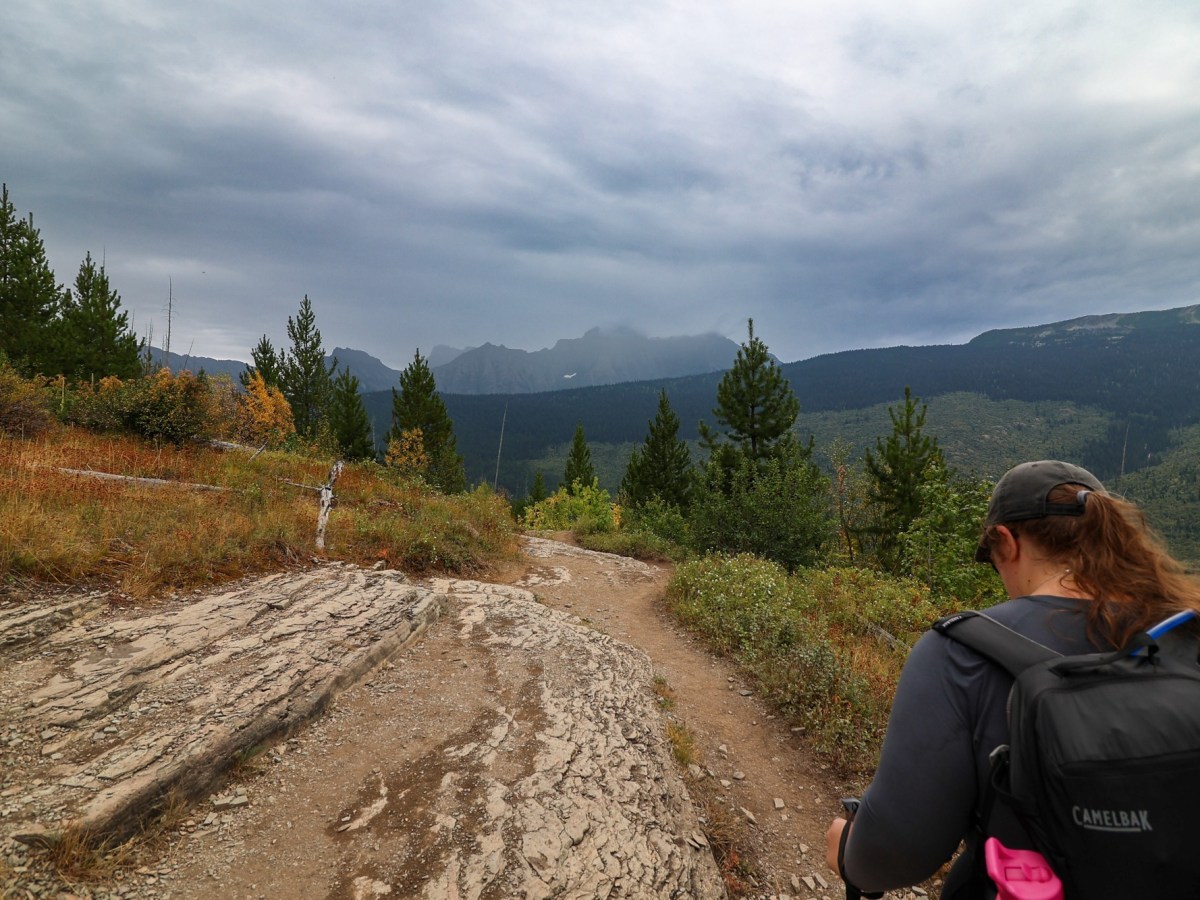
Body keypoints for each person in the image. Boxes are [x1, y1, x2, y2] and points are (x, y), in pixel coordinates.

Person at [824, 460, 1200, 898]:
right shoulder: (1186, 634)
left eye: (992, 559)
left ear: (1007, 541)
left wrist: (849, 850)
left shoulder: (960, 652)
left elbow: (894, 854)